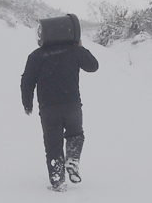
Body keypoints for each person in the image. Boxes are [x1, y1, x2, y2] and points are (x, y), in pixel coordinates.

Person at [21, 39, 99, 192]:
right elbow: (93, 66)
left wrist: (27, 104)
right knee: (75, 134)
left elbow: (26, 82)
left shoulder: (36, 56)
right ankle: (72, 160)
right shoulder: (73, 51)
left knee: (53, 143)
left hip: (49, 108)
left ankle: (57, 180)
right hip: (72, 105)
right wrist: (80, 48)